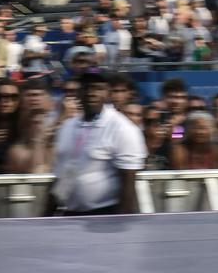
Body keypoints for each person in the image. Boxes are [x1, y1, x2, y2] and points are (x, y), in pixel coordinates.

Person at [43, 71, 146, 216]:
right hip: (70, 216)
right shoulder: (68, 127)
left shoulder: (123, 129)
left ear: (108, 94)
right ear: (78, 93)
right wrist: (45, 217)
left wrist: (121, 230)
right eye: (86, 88)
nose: (91, 93)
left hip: (105, 217)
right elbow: (62, 176)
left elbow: (128, 187)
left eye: (98, 88)